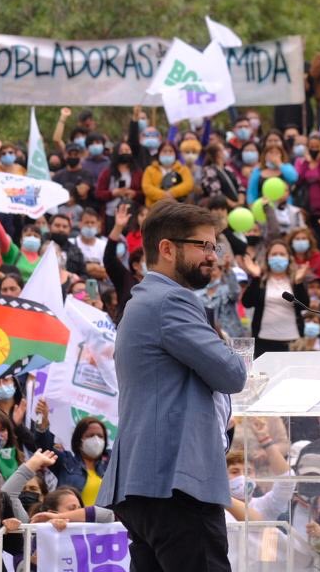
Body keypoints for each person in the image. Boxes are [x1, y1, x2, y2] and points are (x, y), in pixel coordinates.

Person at [96, 200, 247, 572]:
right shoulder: (171, 301)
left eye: (214, 246)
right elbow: (232, 374)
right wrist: (229, 351)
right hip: (175, 484)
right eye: (203, 246)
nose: (212, 256)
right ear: (166, 248)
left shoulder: (144, 299)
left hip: (147, 485)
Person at [53, 416, 109, 506]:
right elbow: (44, 445)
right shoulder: (67, 462)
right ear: (79, 440)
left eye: (100, 436)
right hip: (72, 515)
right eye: (91, 436)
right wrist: (42, 426)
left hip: (106, 515)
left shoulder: (110, 464)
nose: (96, 440)